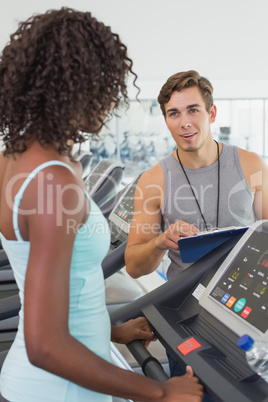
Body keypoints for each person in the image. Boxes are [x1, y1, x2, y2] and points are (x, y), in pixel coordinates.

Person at [0, 8, 204, 402]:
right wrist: (160, 392)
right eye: (104, 88)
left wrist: (109, 329)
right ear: (74, 87)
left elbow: (56, 292)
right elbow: (45, 344)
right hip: (59, 391)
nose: (110, 102)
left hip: (39, 380)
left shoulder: (13, 159)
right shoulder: (53, 181)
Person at [125, 69, 268, 281]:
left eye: (193, 110)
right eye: (174, 113)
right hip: (181, 301)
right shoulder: (152, 181)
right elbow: (134, 268)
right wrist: (160, 242)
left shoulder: (251, 165)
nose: (184, 123)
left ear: (211, 113)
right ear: (166, 121)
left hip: (238, 297)